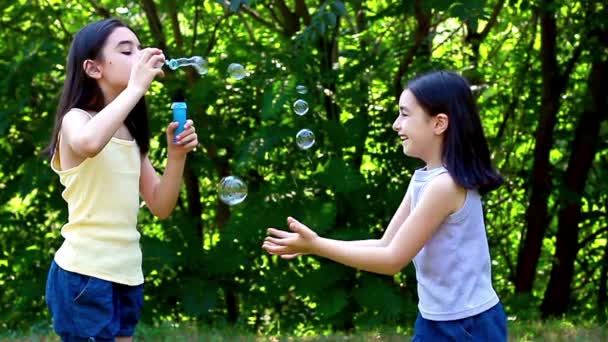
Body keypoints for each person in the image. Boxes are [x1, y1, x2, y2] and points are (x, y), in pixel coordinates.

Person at [263, 70, 508, 341]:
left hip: (468, 325)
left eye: (404, 114)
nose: (396, 124)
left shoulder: (445, 186)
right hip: (434, 320)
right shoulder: (423, 180)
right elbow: (385, 244)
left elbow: (392, 260)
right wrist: (316, 243)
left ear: (439, 123)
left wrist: (317, 246)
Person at [43, 18, 198, 341]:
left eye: (140, 48)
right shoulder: (77, 120)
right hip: (83, 273)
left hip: (126, 272)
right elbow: (88, 143)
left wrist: (176, 156)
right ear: (93, 68)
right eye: (127, 51)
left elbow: (161, 205)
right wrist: (136, 88)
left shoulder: (128, 131)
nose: (140, 57)